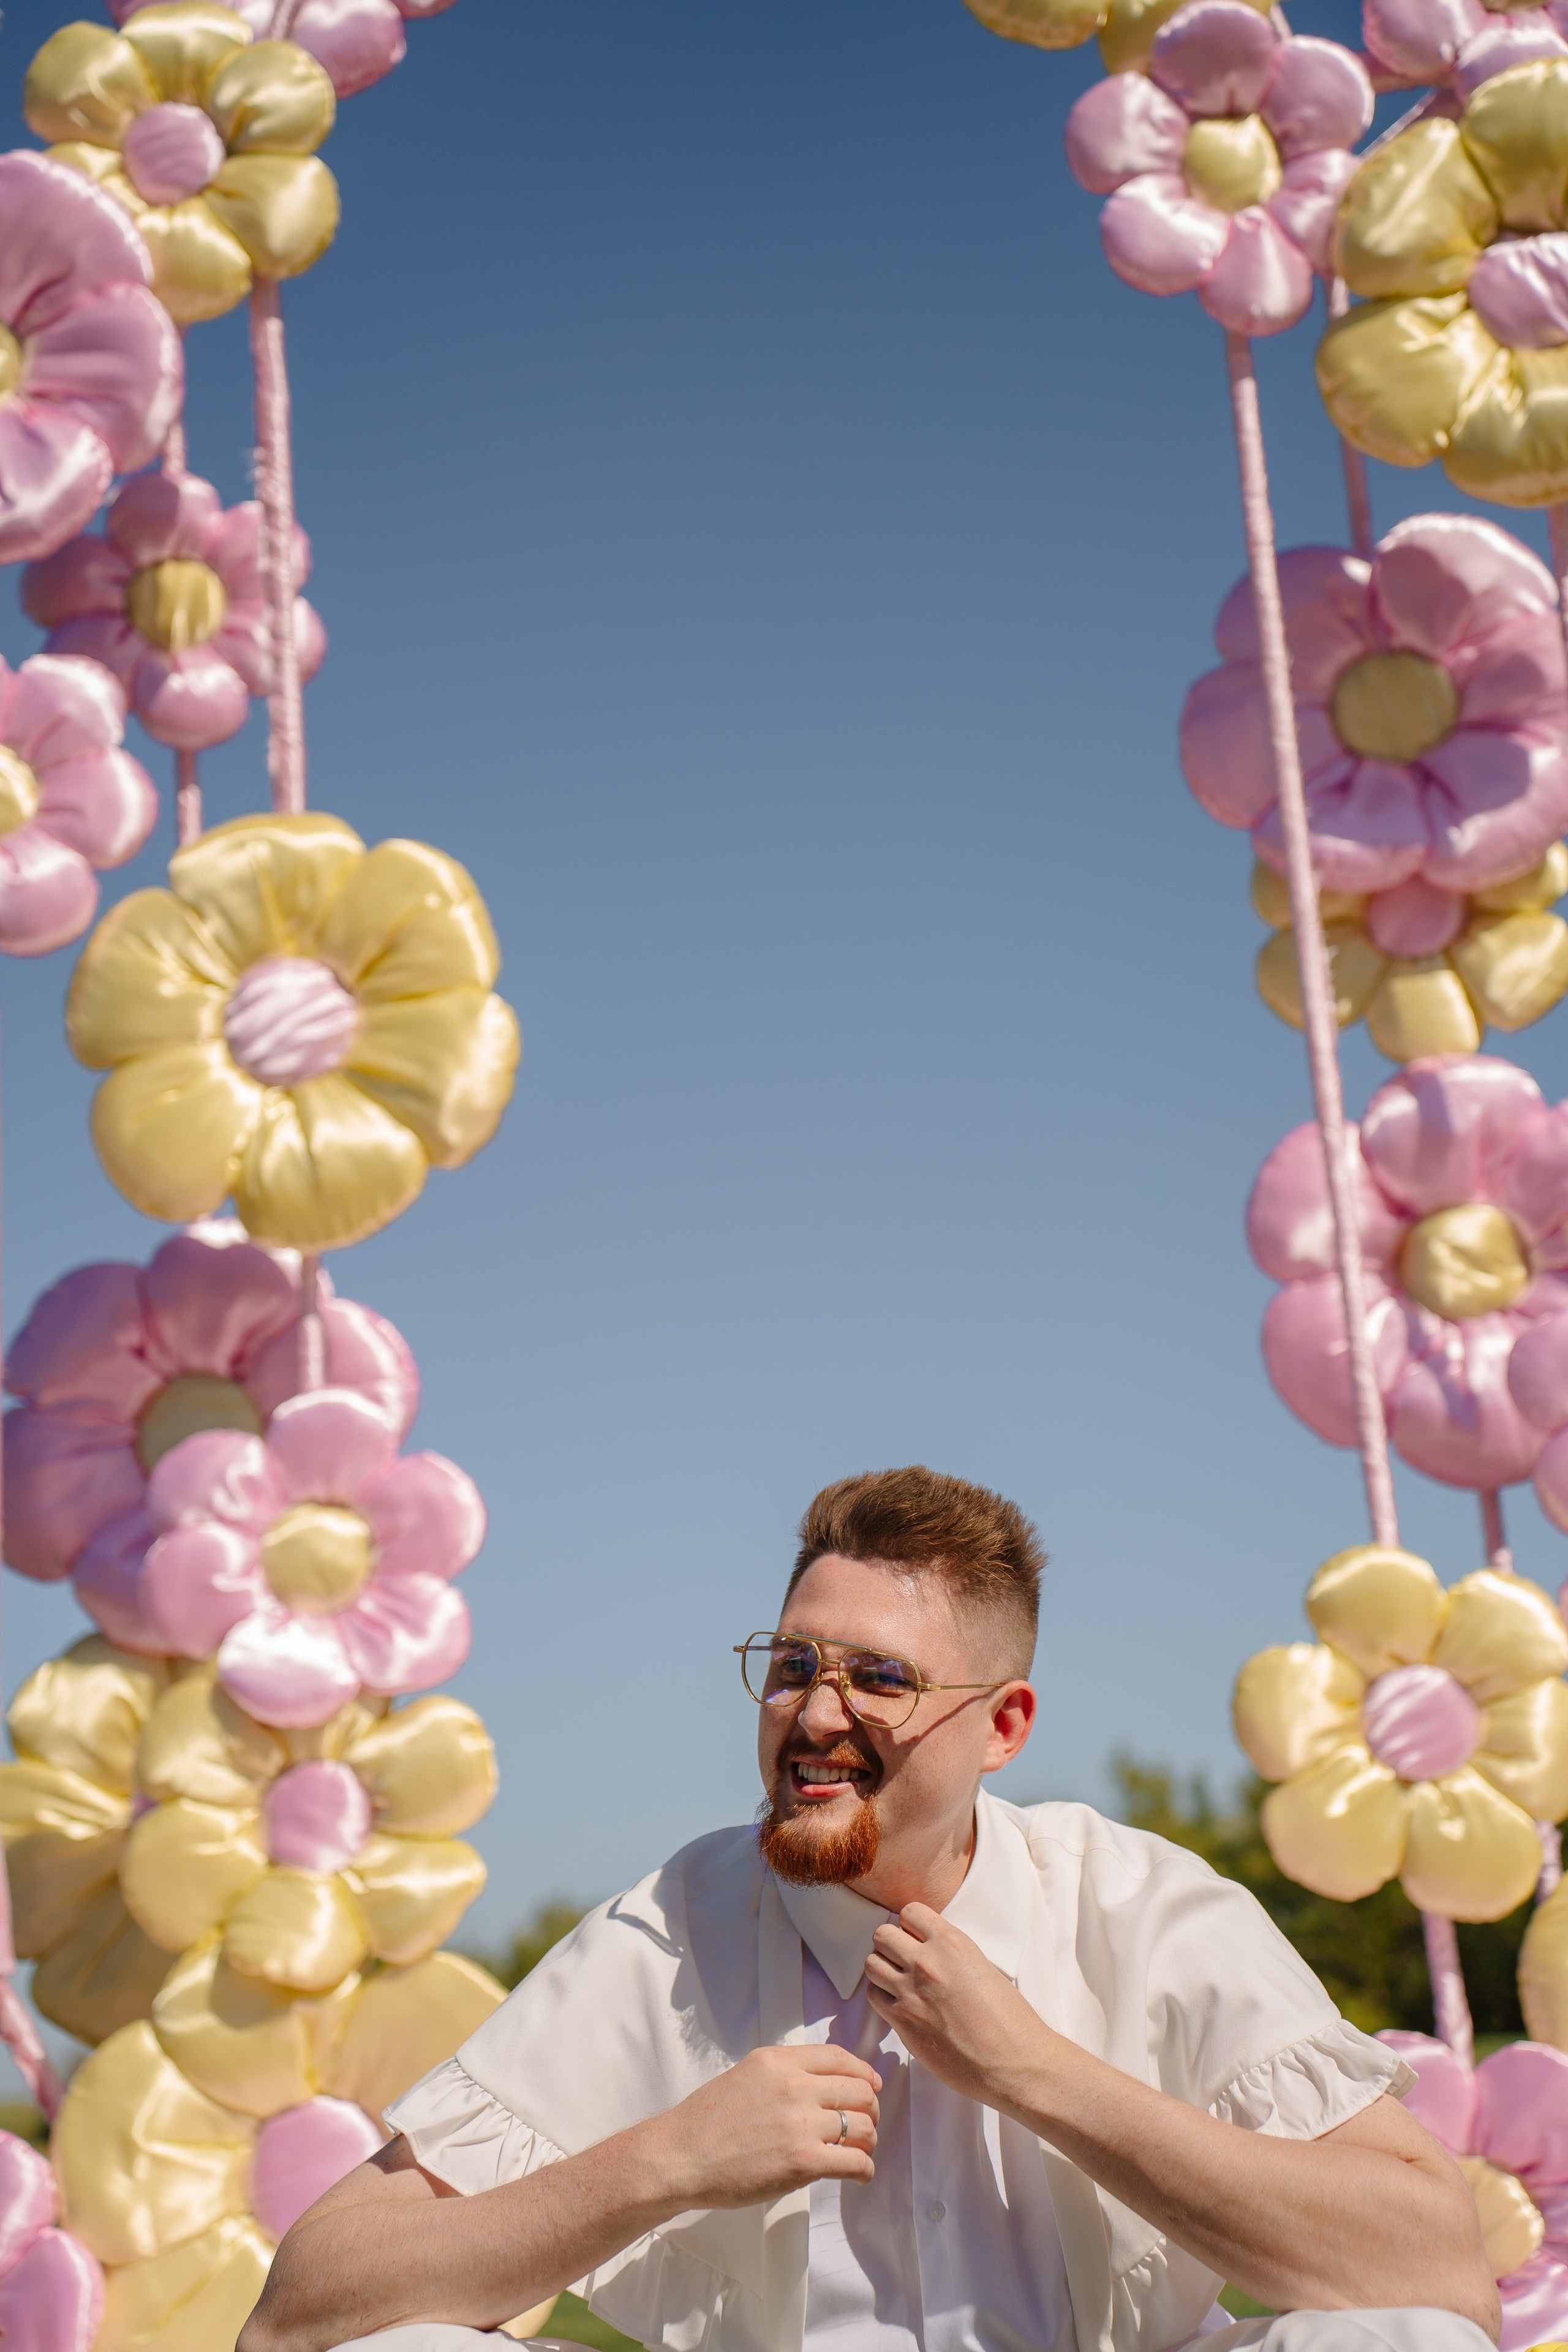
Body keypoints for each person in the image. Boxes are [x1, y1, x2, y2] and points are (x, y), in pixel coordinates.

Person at [240, 1468, 1501, 2352]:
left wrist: (1042, 2075)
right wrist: (668, 2161)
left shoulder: (1145, 1904)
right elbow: (303, 2309)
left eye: (877, 1679)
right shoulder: (661, 1927)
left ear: (1001, 1726)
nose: (814, 1713)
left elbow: (1440, 2277)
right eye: (791, 1667)